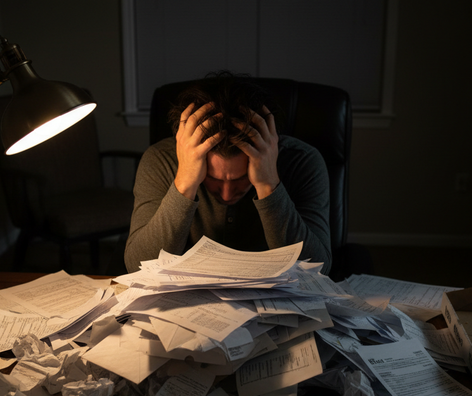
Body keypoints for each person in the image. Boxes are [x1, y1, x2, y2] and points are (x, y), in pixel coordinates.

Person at [123, 72, 332, 274]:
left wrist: (269, 185)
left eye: (242, 178)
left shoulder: (303, 161)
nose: (226, 194)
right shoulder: (160, 160)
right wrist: (185, 183)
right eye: (212, 178)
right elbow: (138, 266)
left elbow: (318, 269)